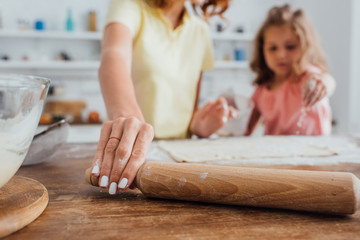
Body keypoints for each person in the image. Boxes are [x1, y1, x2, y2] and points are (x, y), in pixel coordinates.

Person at [90, 0, 237, 195]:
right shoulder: (130, 6)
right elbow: (113, 56)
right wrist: (128, 120)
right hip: (131, 158)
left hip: (180, 166)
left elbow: (188, 108)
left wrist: (199, 125)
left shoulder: (200, 31)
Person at [245, 4, 336, 136]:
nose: (281, 55)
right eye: (273, 48)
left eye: (290, 46)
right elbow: (245, 129)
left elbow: (328, 81)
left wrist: (322, 84)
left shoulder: (306, 77)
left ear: (305, 46)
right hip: (275, 155)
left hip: (312, 155)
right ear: (262, 50)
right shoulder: (262, 90)